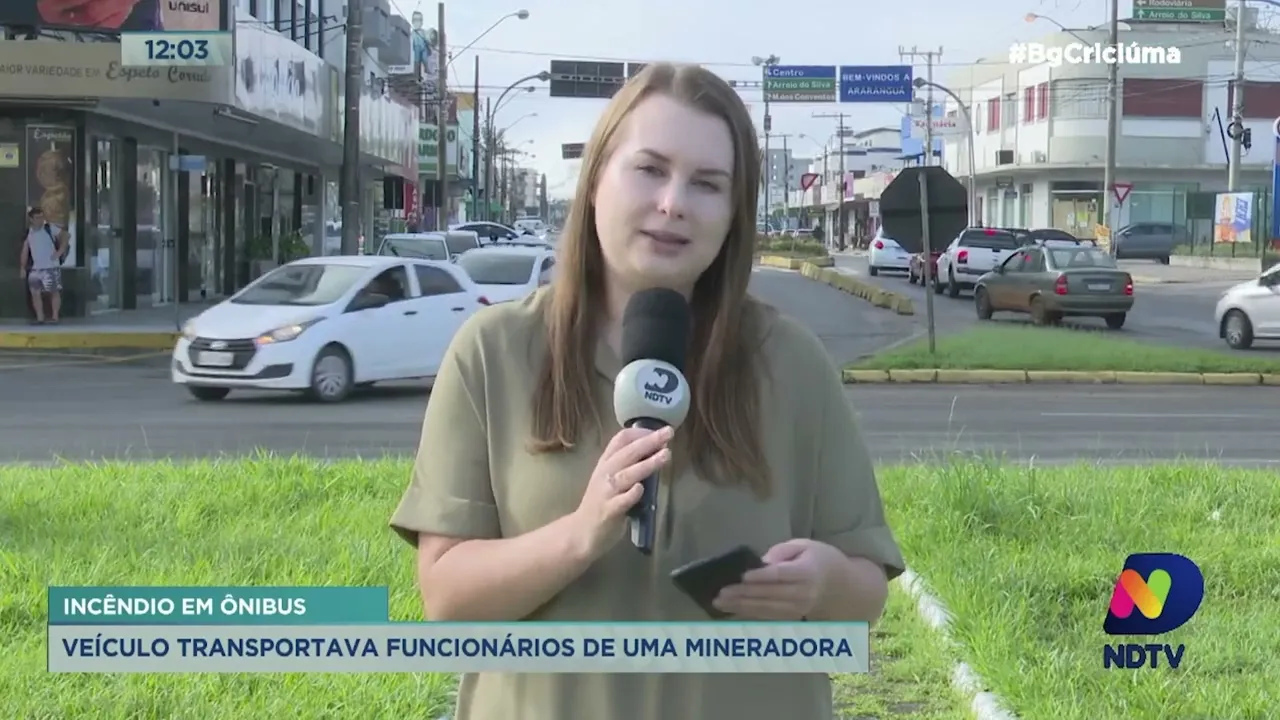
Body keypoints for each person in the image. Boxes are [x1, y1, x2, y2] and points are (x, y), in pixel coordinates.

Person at [390, 62, 904, 720]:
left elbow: (864, 597)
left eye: (707, 184)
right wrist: (579, 535)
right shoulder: (492, 352)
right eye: (650, 169)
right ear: (596, 179)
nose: (674, 203)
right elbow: (447, 602)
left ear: (731, 214)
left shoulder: (792, 363)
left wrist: (822, 581)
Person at [20, 207, 68, 325]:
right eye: (37, 218)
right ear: (31, 219)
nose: (40, 220)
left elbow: (65, 236)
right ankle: (40, 317)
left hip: (51, 266)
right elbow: (25, 251)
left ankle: (55, 317)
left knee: (53, 291)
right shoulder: (29, 233)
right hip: (36, 268)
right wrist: (22, 267)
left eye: (42, 217)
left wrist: (60, 251)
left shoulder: (49, 228)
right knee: (35, 293)